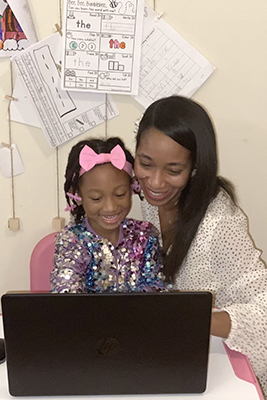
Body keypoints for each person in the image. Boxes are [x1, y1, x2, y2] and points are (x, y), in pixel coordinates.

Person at [134, 95, 267, 396]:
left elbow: (264, 311)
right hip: (169, 357)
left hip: (217, 365)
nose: (154, 182)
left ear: (195, 167)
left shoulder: (220, 223)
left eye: (173, 170)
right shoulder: (148, 201)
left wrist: (193, 317)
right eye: (145, 163)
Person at [50, 137, 166, 293]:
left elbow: (156, 288)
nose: (110, 207)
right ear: (77, 195)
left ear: (133, 187)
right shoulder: (72, 240)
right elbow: (67, 295)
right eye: (96, 198)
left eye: (120, 194)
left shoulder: (145, 235)